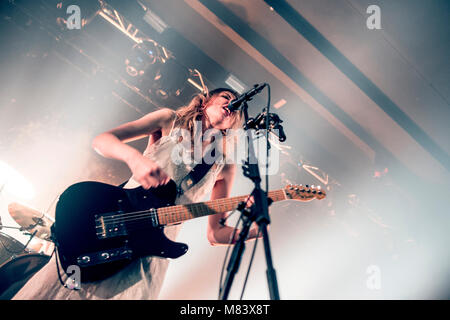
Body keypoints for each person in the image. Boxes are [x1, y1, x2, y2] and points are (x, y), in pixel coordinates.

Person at [13, 87, 260, 300]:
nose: (232, 104)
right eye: (226, 97)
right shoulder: (169, 120)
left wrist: (254, 231)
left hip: (149, 253)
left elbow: (216, 233)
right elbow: (102, 140)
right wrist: (135, 159)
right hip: (108, 228)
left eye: (236, 107)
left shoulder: (224, 165)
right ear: (206, 101)